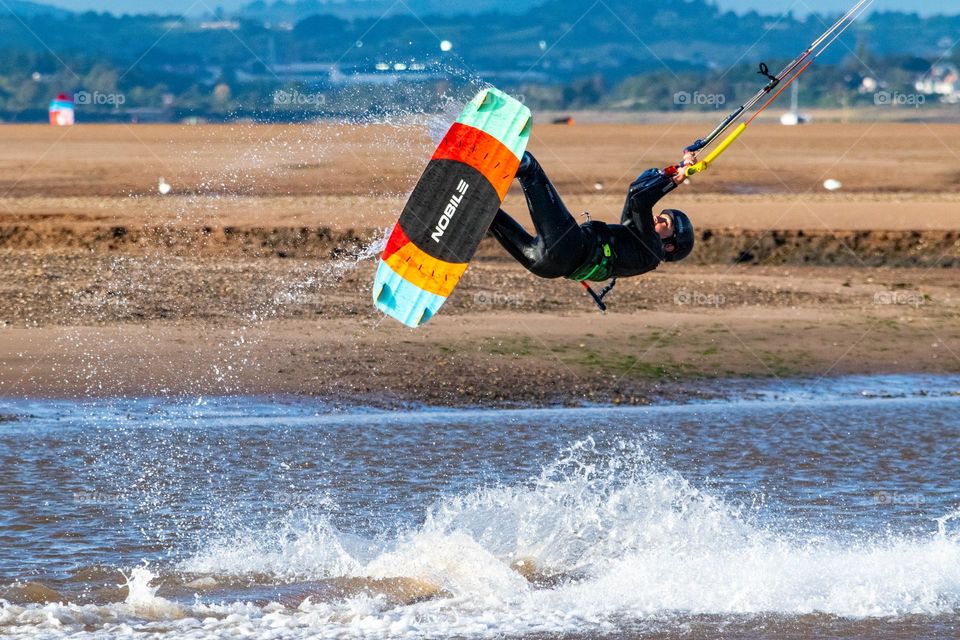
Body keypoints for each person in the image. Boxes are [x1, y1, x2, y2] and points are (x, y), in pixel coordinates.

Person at [488, 151, 697, 284]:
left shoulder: (651, 251)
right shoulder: (636, 241)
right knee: (488, 213)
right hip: (546, 266)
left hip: (567, 247)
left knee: (529, 166)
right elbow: (635, 190)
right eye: (662, 216)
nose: (657, 218)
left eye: (665, 222)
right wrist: (674, 169)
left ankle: (484, 160)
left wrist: (675, 182)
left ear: (669, 245)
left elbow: (641, 201)